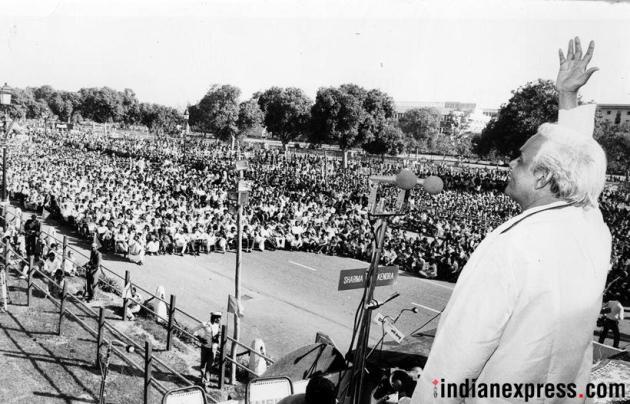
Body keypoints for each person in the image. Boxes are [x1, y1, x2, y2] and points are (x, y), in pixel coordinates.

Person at [412, 37, 611, 403]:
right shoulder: (593, 227)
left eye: (520, 159)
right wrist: (567, 100)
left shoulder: (511, 245)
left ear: (541, 178)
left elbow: (456, 358)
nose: (509, 163)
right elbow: (581, 168)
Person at [192, 312, 222, 388]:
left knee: (209, 365)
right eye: (218, 317)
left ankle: (206, 381)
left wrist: (217, 341)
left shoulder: (219, 326)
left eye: (220, 317)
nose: (219, 319)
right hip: (205, 347)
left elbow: (219, 339)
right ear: (213, 317)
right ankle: (203, 378)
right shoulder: (205, 324)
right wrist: (200, 338)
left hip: (213, 349)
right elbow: (194, 330)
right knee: (203, 364)